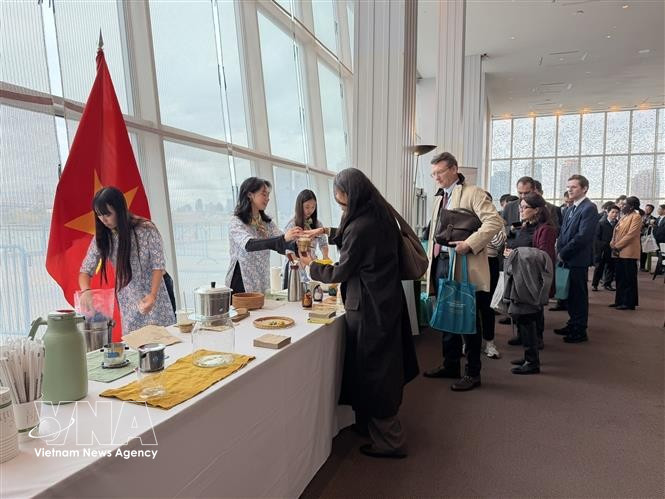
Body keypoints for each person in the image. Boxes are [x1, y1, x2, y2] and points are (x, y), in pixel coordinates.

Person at [298, 168, 419, 459]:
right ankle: (374, 428)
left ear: (350, 196)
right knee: (381, 366)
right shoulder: (379, 216)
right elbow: (356, 240)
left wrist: (310, 265)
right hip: (386, 302)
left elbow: (341, 270)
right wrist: (326, 232)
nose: (341, 207)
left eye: (341, 203)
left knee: (374, 370)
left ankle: (390, 441)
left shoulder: (361, 226)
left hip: (369, 308)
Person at [422, 152, 504, 391]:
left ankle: (473, 372)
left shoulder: (473, 193)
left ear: (454, 169)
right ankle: (450, 364)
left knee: (468, 316)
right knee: (446, 314)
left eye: (439, 172)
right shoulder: (440, 198)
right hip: (442, 262)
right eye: (433, 173)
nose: (435, 177)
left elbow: (494, 221)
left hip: (464, 262)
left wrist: (470, 243)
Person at [79, 186, 175, 336]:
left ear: (120, 210)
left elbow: (158, 265)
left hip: (156, 289)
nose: (103, 220)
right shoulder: (103, 236)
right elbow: (85, 270)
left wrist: (153, 295)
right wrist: (85, 291)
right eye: (99, 215)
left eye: (108, 214)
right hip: (128, 295)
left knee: (164, 338)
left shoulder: (145, 229)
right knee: (135, 344)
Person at [504, 193, 556, 360]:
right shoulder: (525, 226)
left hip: (532, 279)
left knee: (529, 318)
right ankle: (528, 355)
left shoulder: (546, 229)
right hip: (521, 276)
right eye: (521, 207)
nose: (521, 210)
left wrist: (515, 253)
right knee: (523, 317)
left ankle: (532, 360)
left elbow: (543, 256)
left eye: (525, 207)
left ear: (536, 210)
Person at [225, 177, 301, 293]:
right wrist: (283, 239)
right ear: (250, 195)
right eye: (264, 194)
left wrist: (300, 242)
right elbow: (249, 245)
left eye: (268, 195)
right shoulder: (236, 222)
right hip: (241, 281)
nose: (268, 199)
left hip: (261, 279)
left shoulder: (266, 223)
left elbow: (282, 243)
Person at [553, 175, 598, 344]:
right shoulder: (571, 208)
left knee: (579, 295)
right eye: (568, 186)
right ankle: (572, 323)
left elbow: (583, 236)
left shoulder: (589, 208)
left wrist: (564, 253)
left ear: (584, 188)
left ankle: (580, 330)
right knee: (570, 294)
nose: (569, 190)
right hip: (567, 258)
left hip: (576, 259)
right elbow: (563, 233)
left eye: (574, 187)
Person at [282, 189, 329, 288]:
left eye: (313, 207)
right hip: (295, 265)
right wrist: (299, 264)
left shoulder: (317, 224)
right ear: (300, 206)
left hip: (310, 263)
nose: (310, 210)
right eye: (307, 207)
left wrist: (325, 257)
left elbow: (323, 243)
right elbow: (287, 250)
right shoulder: (292, 224)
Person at [483, 192, 506, 360]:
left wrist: (489, 226)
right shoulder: (467, 218)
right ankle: (466, 342)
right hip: (469, 263)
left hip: (489, 262)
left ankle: (489, 342)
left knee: (487, 306)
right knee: (469, 304)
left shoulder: (496, 220)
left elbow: (498, 244)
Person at [610, 196, 642, 310]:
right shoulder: (624, 216)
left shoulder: (636, 217)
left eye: (625, 205)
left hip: (629, 252)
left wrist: (617, 246)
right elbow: (616, 231)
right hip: (619, 251)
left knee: (629, 278)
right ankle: (619, 300)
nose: (622, 206)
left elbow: (631, 234)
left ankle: (629, 303)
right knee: (620, 277)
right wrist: (612, 242)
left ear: (632, 206)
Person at [591, 205, 619, 291]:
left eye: (616, 212)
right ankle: (594, 284)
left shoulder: (618, 224)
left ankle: (607, 284)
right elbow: (596, 238)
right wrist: (602, 246)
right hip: (602, 249)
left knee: (611, 267)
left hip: (613, 249)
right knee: (599, 267)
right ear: (608, 212)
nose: (614, 214)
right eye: (612, 212)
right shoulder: (601, 223)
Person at [640, 204, 657, 271]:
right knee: (639, 251)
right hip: (638, 236)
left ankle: (643, 267)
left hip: (647, 237)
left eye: (649, 209)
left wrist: (649, 225)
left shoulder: (654, 219)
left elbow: (654, 228)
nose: (646, 210)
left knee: (644, 252)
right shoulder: (640, 216)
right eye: (646, 209)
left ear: (652, 210)